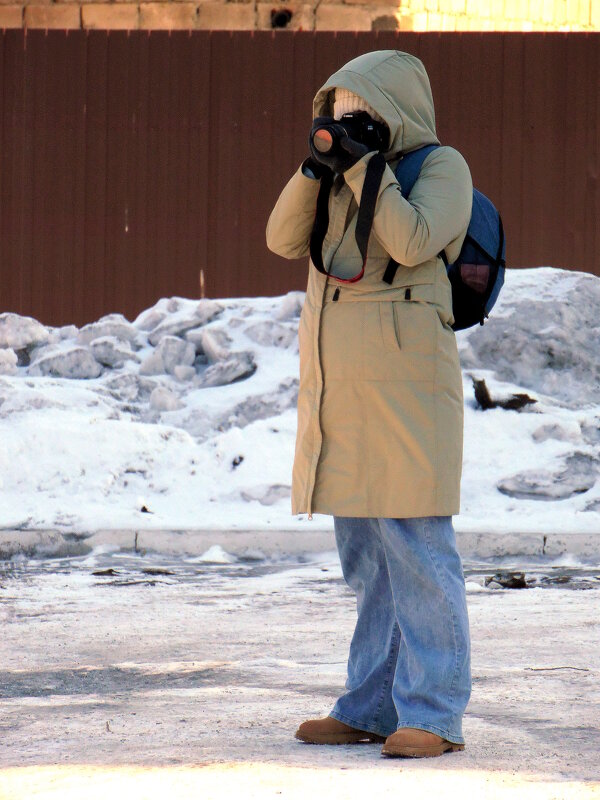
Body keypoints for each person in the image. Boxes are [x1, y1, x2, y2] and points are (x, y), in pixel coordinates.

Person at [265, 50, 472, 759]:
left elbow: (412, 239)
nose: (347, 124)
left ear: (396, 111)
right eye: (337, 112)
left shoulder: (441, 168)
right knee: (368, 561)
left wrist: (365, 169)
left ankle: (436, 711)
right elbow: (282, 238)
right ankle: (370, 706)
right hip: (343, 391)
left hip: (409, 392)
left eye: (362, 113)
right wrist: (315, 167)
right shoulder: (339, 176)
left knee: (416, 551)